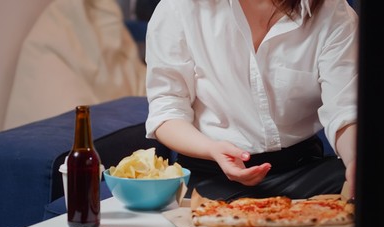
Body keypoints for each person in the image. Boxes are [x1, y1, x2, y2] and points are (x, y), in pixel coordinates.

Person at [145, 0, 358, 201]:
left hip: (303, 171)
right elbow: (166, 111)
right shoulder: (179, 8)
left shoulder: (332, 11)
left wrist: (354, 160)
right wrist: (211, 149)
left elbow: (345, 111)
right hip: (212, 173)